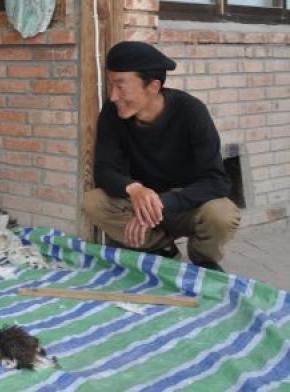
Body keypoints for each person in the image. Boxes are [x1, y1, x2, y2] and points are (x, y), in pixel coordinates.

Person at [84, 40, 240, 271]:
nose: (114, 96)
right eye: (110, 85)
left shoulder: (191, 112)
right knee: (93, 201)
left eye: (120, 86)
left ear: (153, 87)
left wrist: (160, 203)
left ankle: (203, 261)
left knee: (223, 214)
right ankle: (161, 248)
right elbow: (104, 169)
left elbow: (217, 181)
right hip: (139, 204)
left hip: (184, 205)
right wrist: (134, 189)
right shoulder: (112, 113)